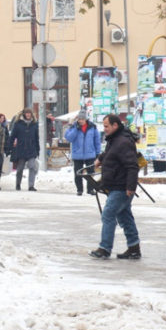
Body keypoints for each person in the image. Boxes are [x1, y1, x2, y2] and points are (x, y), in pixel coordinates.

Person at [89, 114, 142, 259]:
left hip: (122, 186)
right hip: (116, 185)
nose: (104, 129)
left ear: (115, 125)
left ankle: (105, 248)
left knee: (108, 214)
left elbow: (132, 166)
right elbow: (111, 154)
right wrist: (100, 159)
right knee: (125, 217)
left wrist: (130, 187)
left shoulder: (123, 142)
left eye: (106, 126)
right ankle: (134, 248)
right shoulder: (115, 139)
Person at [65, 110, 101, 195]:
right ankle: (79, 190)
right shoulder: (74, 127)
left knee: (91, 173)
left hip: (90, 154)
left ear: (86, 119)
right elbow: (69, 138)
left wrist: (97, 152)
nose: (81, 121)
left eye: (82, 119)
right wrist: (75, 129)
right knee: (78, 173)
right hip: (77, 155)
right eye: (79, 119)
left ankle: (90, 189)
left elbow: (97, 140)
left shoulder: (92, 127)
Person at [10, 108, 39, 191]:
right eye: (27, 113)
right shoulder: (18, 124)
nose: (28, 115)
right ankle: (18, 184)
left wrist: (37, 150)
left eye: (29, 113)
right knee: (20, 169)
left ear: (31, 114)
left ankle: (31, 185)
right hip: (21, 149)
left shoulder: (34, 124)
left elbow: (36, 138)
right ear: (24, 114)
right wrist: (10, 147)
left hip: (31, 149)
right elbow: (12, 136)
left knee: (32, 167)